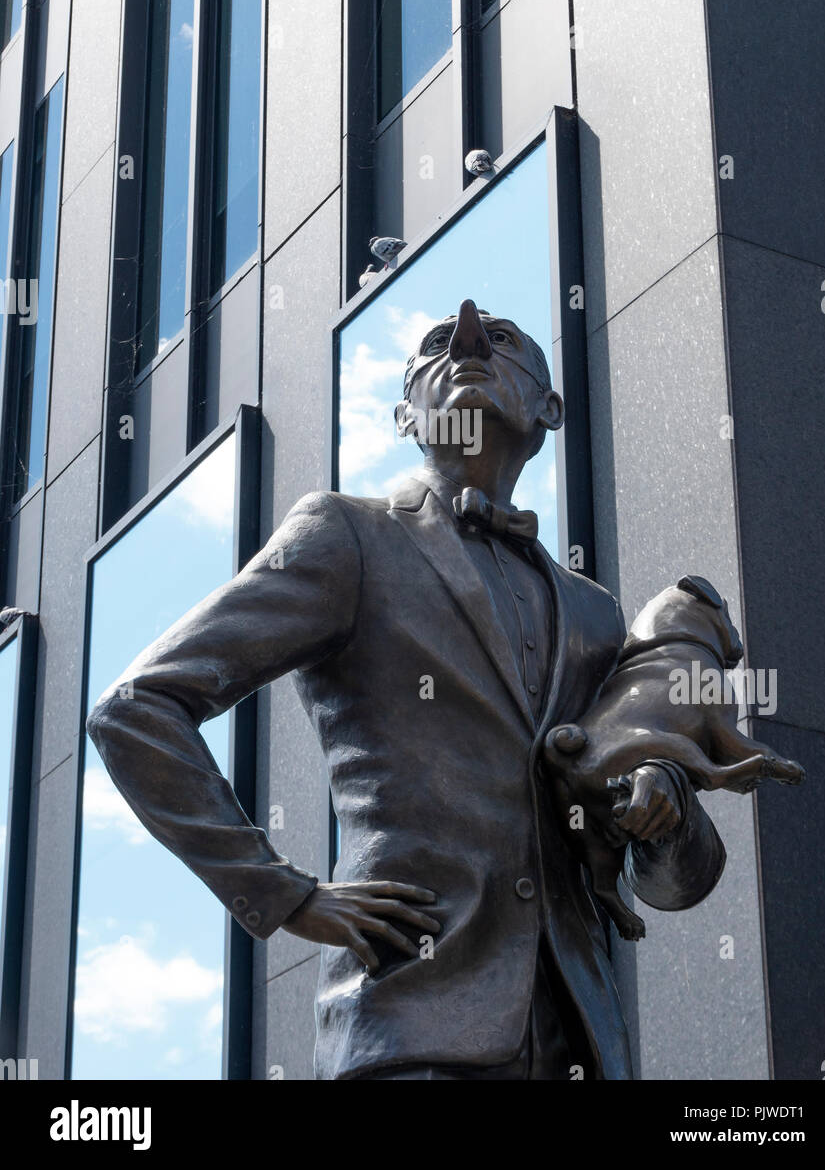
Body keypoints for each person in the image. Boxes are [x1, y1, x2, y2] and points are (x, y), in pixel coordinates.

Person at [88, 299, 693, 1080]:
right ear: (407, 413)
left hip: (578, 1036)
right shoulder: (346, 535)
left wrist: (662, 797)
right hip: (408, 1025)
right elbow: (136, 709)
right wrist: (282, 894)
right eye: (439, 344)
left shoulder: (595, 612)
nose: (470, 337)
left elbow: (668, 879)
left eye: (499, 341)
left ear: (550, 408)